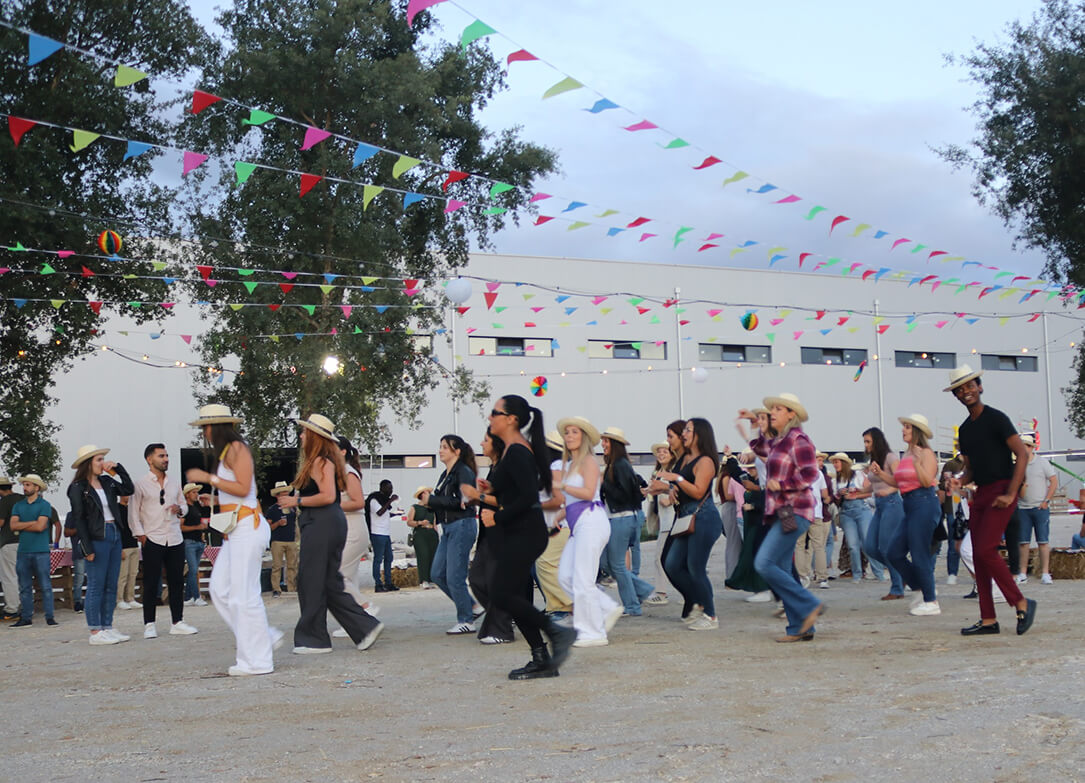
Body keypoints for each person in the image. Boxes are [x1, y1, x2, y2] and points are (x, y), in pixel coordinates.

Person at [461, 395, 575, 680]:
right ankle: (541, 658)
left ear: (511, 419)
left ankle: (557, 633)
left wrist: (496, 515)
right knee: (515, 595)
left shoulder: (519, 452)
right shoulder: (513, 452)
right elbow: (508, 492)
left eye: (494, 413)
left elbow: (528, 498)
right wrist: (484, 492)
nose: (490, 418)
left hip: (525, 532)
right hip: (518, 532)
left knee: (501, 592)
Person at [185, 405, 281, 675]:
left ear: (216, 427)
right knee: (220, 591)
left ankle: (258, 660)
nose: (203, 433)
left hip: (247, 527)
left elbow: (242, 486)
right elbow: (240, 492)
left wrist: (208, 478)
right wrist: (215, 499)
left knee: (243, 596)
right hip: (235, 528)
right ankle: (264, 638)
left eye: (205, 427)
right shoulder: (229, 451)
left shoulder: (238, 448)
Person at [277, 414, 384, 655]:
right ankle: (365, 627)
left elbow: (327, 496)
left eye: (305, 432)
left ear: (314, 436)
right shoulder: (324, 461)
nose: (301, 436)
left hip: (322, 522)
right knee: (328, 581)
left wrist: (297, 500)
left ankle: (314, 639)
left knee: (311, 580)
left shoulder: (321, 462)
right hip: (327, 522)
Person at [946, 365, 1037, 636]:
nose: (966, 391)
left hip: (1002, 489)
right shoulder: (964, 429)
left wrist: (1011, 491)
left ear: (980, 387)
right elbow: (971, 468)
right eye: (960, 389)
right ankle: (988, 619)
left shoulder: (997, 418)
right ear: (956, 396)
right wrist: (960, 481)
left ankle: (1021, 601)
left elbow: (1021, 454)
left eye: (970, 385)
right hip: (981, 492)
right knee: (978, 553)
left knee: (985, 550)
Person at [740, 393, 825, 642]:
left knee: (764, 564)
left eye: (778, 409)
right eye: (772, 409)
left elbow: (811, 474)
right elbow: (758, 448)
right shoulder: (779, 441)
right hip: (782, 513)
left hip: (796, 509)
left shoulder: (798, 440)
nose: (772, 412)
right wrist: (756, 423)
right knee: (784, 568)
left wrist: (784, 485)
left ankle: (809, 605)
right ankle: (801, 627)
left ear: (791, 414)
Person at [554, 416, 622, 646]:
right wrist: (558, 516)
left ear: (583, 437)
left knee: (583, 579)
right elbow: (571, 499)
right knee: (565, 576)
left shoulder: (589, 461)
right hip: (577, 522)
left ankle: (593, 632)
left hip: (591, 521)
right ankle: (605, 608)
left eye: (574, 432)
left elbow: (588, 492)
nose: (569, 436)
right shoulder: (569, 464)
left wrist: (561, 485)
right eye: (567, 432)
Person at [656, 417, 724, 631]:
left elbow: (698, 491)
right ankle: (697, 602)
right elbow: (682, 488)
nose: (684, 433)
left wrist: (676, 479)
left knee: (696, 567)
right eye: (684, 429)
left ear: (700, 434)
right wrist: (669, 489)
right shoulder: (684, 457)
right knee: (672, 565)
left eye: (688, 430)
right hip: (685, 517)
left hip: (703, 517)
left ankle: (710, 615)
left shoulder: (706, 461)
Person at [870, 414, 942, 617]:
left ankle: (931, 601)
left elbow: (928, 481)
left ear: (917, 431)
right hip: (909, 503)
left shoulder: (925, 453)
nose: (903, 430)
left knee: (919, 553)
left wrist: (918, 463)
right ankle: (923, 588)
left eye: (908, 427)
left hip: (925, 502)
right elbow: (898, 482)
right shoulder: (906, 454)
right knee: (894, 552)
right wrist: (880, 474)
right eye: (904, 427)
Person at [68, 444, 135, 645]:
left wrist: (118, 469)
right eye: (99, 459)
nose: (103, 462)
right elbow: (79, 519)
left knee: (111, 584)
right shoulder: (78, 487)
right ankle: (95, 631)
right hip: (97, 537)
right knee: (96, 584)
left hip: (114, 533)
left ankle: (108, 626)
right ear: (88, 463)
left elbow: (128, 489)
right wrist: (86, 547)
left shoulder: (106, 481)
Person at [130, 443, 197, 639]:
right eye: (161, 456)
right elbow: (133, 513)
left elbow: (184, 505)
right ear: (150, 459)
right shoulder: (140, 484)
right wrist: (141, 535)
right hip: (153, 538)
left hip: (174, 537)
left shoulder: (174, 482)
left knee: (177, 581)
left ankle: (178, 621)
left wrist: (180, 509)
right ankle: (149, 624)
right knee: (151, 582)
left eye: (167, 455)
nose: (166, 459)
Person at [426, 435, 479, 634]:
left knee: (455, 576)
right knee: (437, 574)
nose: (440, 450)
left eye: (445, 447)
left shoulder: (463, 472)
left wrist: (432, 501)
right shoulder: (445, 474)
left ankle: (466, 619)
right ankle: (472, 606)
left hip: (461, 524)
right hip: (448, 527)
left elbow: (463, 502)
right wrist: (431, 504)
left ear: (457, 451)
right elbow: (444, 500)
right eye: (440, 446)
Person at [600, 426, 654, 617]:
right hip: (617, 518)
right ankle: (642, 590)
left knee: (616, 565)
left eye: (606, 441)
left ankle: (632, 605)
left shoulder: (620, 465)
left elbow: (626, 495)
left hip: (622, 518)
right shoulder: (615, 464)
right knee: (607, 563)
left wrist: (603, 484)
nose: (603, 444)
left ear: (614, 444)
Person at [468, 429, 515, 644]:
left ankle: (502, 629)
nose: (481, 443)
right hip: (488, 531)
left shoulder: (506, 468)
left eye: (485, 440)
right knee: (477, 579)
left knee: (494, 581)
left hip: (502, 531)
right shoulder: (494, 468)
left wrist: (480, 495)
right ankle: (504, 615)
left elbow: (510, 500)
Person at [643, 421, 687, 606]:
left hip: (672, 523)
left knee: (660, 558)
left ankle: (661, 593)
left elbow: (675, 494)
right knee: (672, 560)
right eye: (659, 451)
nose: (661, 453)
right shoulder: (657, 473)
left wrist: (666, 497)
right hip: (666, 523)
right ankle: (684, 593)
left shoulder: (672, 473)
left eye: (665, 451)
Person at [862, 427, 906, 601]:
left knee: (886, 547)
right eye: (864, 442)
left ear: (876, 441)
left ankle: (897, 587)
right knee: (871, 547)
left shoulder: (890, 457)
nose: (865, 445)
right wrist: (857, 492)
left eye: (868, 441)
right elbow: (874, 486)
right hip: (879, 505)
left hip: (892, 503)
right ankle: (903, 572)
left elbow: (900, 481)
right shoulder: (875, 459)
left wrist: (882, 477)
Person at [535, 430, 574, 620]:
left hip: (558, 525)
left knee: (545, 563)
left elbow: (560, 499)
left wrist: (534, 506)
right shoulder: (559, 466)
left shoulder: (556, 466)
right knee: (551, 566)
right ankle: (557, 607)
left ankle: (564, 606)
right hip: (556, 524)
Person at [8, 475, 56, 627]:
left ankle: (50, 617)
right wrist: (33, 523)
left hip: (41, 551)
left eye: (28, 485)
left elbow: (40, 527)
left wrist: (24, 524)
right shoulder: (18, 505)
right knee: (24, 586)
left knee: (45, 585)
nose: (25, 487)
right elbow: (12, 526)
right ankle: (26, 617)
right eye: (24, 485)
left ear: (37, 487)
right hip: (23, 550)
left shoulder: (45, 505)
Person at [335, 436, 374, 614]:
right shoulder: (340, 471)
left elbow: (359, 502)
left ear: (343, 452)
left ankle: (365, 607)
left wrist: (331, 504)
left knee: (336, 575)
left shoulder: (348, 472)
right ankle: (355, 621)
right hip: (345, 529)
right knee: (349, 577)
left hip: (354, 528)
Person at [1016, 434, 1057, 585]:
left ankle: (1046, 572)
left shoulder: (1042, 463)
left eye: (1027, 446)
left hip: (1040, 507)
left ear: (1032, 447)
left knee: (1043, 541)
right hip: (1022, 507)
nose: (1024, 449)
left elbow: (1053, 481)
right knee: (1023, 542)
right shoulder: (1018, 464)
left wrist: (1046, 500)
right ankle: (1022, 572)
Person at [795, 456, 831, 589]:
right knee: (819, 546)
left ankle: (802, 576)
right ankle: (822, 578)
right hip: (816, 512)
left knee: (799, 545)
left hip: (800, 512)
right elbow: (825, 494)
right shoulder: (818, 473)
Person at [365, 480, 398, 593]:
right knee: (378, 559)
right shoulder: (374, 499)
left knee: (389, 558)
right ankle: (378, 584)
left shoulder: (383, 500)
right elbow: (379, 512)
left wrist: (394, 514)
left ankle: (388, 582)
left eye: (391, 488)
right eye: (389, 488)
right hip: (377, 532)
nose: (391, 490)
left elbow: (384, 513)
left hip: (385, 533)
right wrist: (391, 501)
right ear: (382, 487)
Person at [180, 482, 209, 607]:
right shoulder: (185, 509)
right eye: (194, 492)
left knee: (193, 571)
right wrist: (198, 527)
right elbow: (180, 527)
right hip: (189, 542)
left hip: (197, 542)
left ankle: (188, 597)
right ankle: (196, 597)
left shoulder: (196, 507)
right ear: (187, 495)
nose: (196, 494)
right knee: (193, 570)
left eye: (196, 492)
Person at [267, 482, 298, 595]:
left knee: (292, 566)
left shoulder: (293, 509)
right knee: (277, 566)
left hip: (291, 540)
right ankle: (276, 589)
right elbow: (267, 527)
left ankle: (291, 588)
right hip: (277, 540)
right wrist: (278, 524)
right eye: (283, 495)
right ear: (277, 496)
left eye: (287, 494)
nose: (285, 496)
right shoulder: (272, 509)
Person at [0, 476, 23, 621]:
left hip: (8, 542)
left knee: (9, 576)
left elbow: (1, 522)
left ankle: (12, 609)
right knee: (22, 576)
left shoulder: (4, 502)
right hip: (26, 542)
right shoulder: (22, 499)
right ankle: (24, 606)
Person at [406, 486, 438, 588]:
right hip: (420, 533)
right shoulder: (414, 507)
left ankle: (430, 578)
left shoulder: (432, 509)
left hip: (431, 533)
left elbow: (435, 523)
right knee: (423, 555)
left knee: (432, 555)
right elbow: (409, 522)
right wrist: (419, 523)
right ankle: (423, 579)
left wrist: (436, 533)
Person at [113, 496, 141, 610]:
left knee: (133, 573)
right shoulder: (117, 509)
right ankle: (119, 599)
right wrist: (118, 547)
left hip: (134, 544)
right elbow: (116, 529)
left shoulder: (132, 509)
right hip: (123, 546)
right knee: (122, 574)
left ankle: (130, 598)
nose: (128, 497)